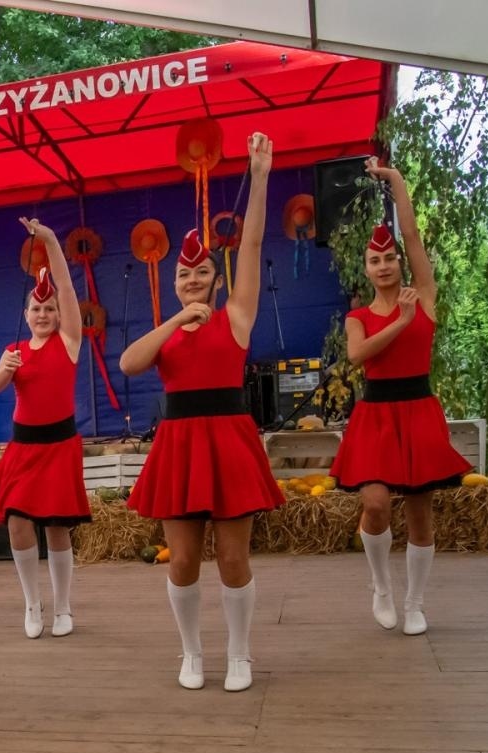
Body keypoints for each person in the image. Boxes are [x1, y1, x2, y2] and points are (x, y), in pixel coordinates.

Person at [120, 133, 282, 693]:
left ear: (217, 278)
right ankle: (191, 653)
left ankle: (240, 654)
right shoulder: (165, 332)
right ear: (174, 281)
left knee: (234, 559)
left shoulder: (235, 317)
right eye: (184, 275)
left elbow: (254, 244)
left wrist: (259, 178)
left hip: (229, 440)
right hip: (179, 445)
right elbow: (128, 362)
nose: (193, 280)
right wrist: (175, 321)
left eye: (202, 274)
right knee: (183, 559)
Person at [328, 158, 470, 636]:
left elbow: (411, 234)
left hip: (418, 409)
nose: (385, 265)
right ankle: (382, 586)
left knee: (421, 512)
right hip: (376, 413)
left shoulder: (423, 294)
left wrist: (396, 181)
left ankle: (414, 601)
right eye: (375, 260)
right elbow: (356, 357)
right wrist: (402, 324)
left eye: (390, 259)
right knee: (374, 504)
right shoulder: (358, 316)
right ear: (366, 269)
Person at [0, 218, 90, 639]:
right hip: (23, 449)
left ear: (59, 313)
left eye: (49, 308)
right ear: (26, 315)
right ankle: (31, 602)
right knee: (17, 522)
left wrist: (50, 239)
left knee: (58, 527)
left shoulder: (70, 340)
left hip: (59, 445)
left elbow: (64, 282)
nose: (43, 313)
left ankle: (63, 606)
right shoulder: (14, 350)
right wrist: (2, 370)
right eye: (36, 309)